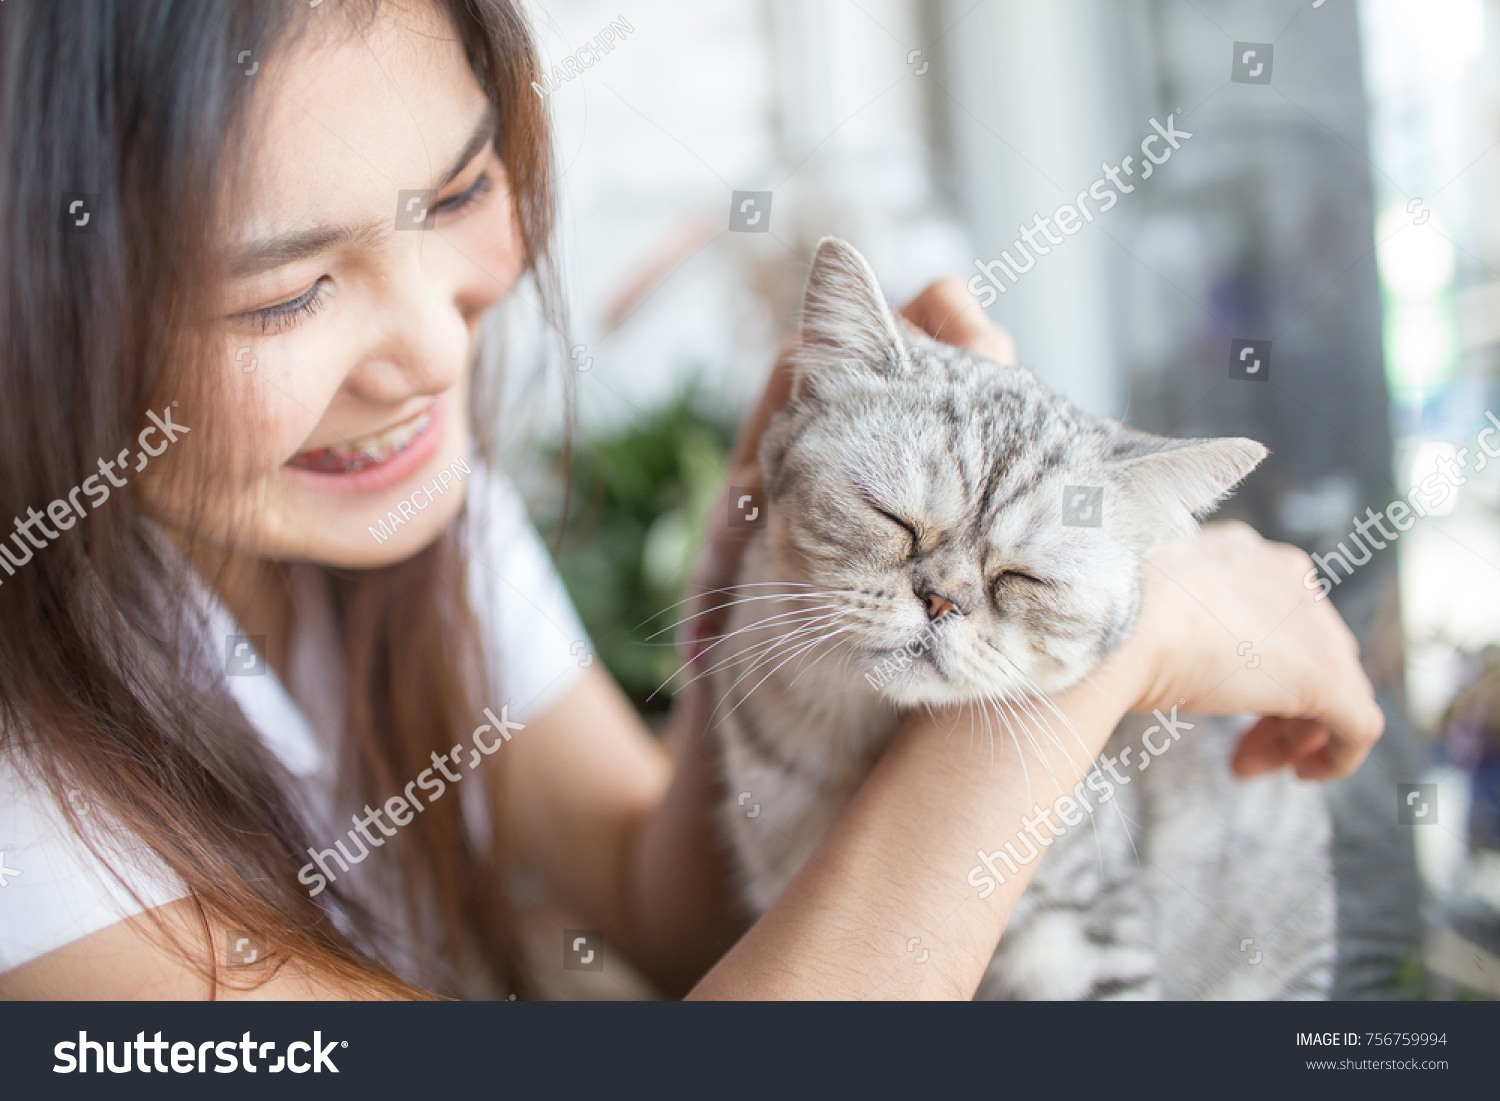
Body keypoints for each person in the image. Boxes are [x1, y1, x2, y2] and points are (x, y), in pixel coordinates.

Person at [0, 0, 1382, 1001]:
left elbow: (665, 907)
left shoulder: (410, 502)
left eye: (464, 188)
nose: (438, 354)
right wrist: (1109, 650)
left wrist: (764, 527)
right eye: (288, 288)